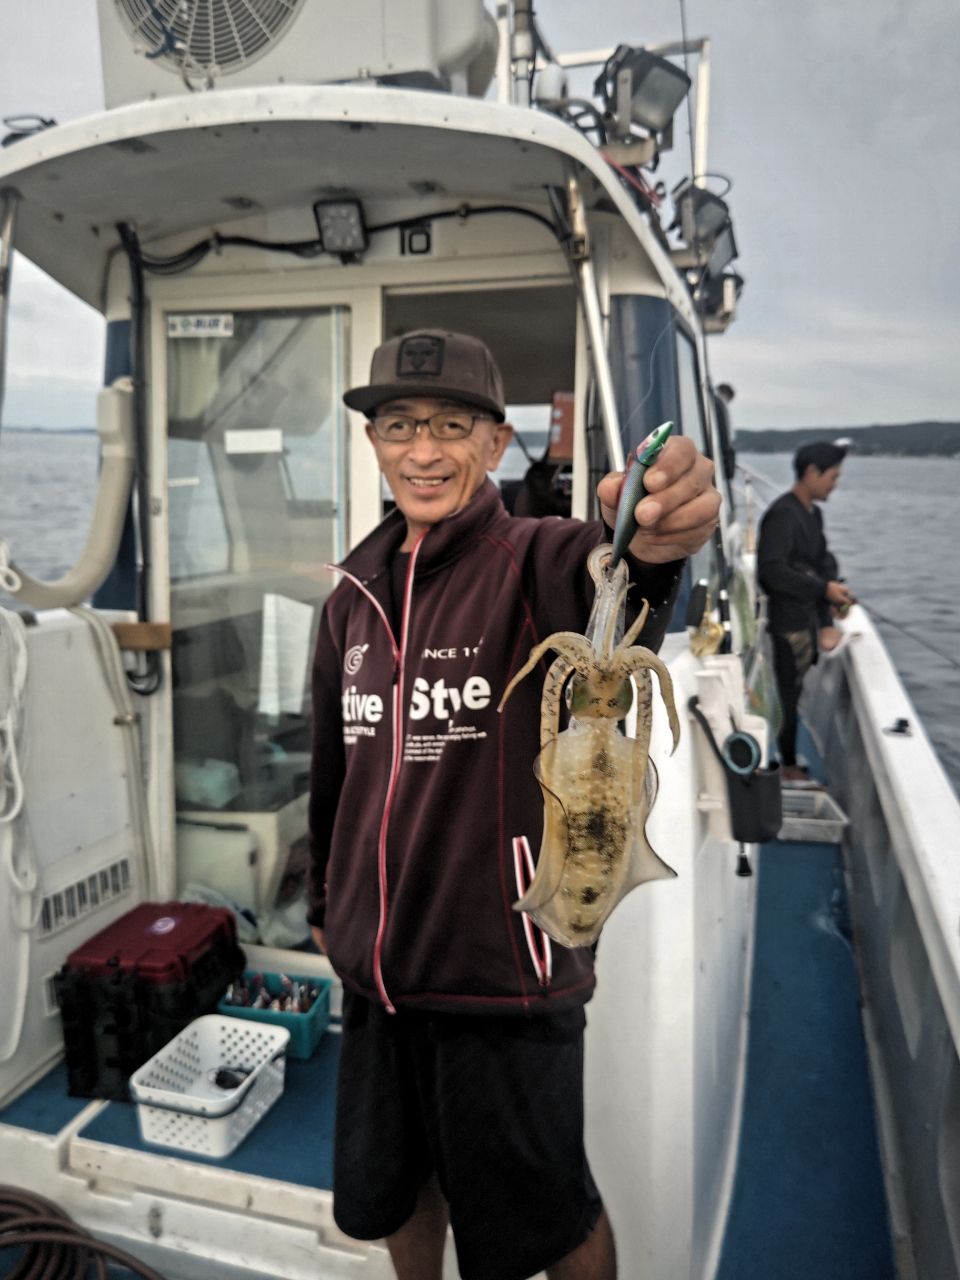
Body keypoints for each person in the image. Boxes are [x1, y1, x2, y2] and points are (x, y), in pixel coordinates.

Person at [307, 328, 720, 1280]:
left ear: (496, 445)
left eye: (452, 425)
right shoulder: (349, 600)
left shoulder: (540, 559)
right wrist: (331, 916)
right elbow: (335, 775)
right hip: (377, 972)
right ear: (373, 442)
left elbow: (627, 577)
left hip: (507, 972)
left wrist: (655, 535)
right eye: (399, 424)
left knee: (549, 1217)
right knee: (400, 1190)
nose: (422, 449)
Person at [757, 441, 856, 784]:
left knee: (794, 692)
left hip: (809, 620)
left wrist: (834, 593)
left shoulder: (812, 513)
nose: (834, 484)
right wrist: (822, 589)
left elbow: (822, 561)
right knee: (788, 693)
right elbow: (770, 572)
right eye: (833, 476)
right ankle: (786, 765)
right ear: (812, 472)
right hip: (789, 626)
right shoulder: (783, 515)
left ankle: (787, 760)